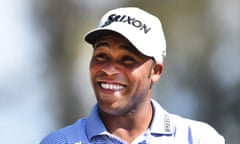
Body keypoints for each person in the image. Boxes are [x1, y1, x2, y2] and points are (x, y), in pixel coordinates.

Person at [40, 7, 225, 144]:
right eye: (102, 56)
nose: (110, 69)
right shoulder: (60, 141)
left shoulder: (198, 138)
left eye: (127, 59)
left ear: (155, 72)